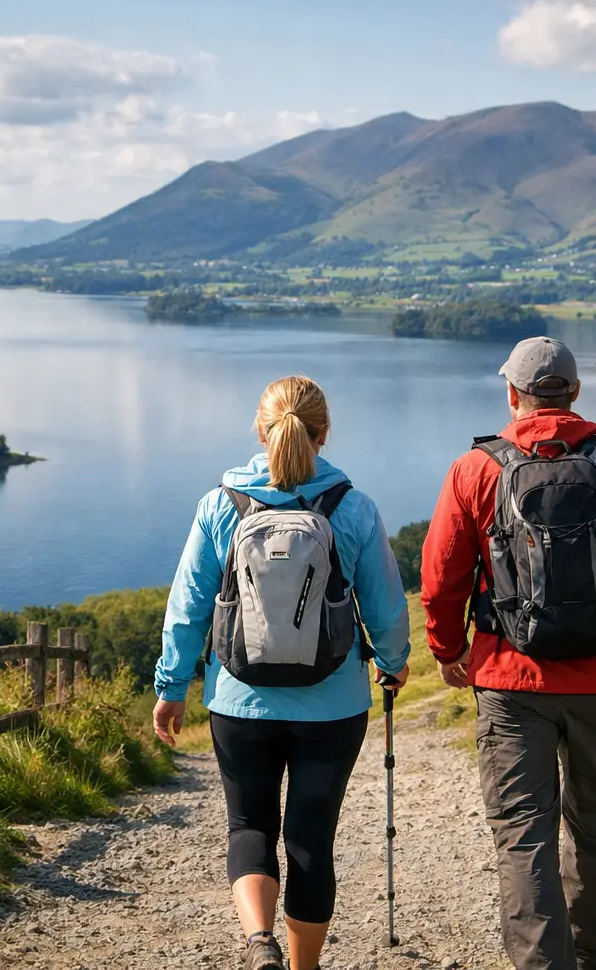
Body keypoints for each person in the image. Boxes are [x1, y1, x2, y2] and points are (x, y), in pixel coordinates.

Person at [420, 337, 596, 970]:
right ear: (574, 392)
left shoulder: (477, 470)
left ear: (513, 395)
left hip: (511, 682)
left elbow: (440, 578)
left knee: (523, 835)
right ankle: (592, 954)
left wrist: (449, 649)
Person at [153, 375, 412, 970]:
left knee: (249, 824)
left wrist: (171, 688)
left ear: (259, 428)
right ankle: (304, 967)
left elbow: (187, 607)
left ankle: (258, 942)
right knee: (311, 838)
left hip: (239, 700)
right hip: (334, 704)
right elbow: (387, 608)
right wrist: (394, 666)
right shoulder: (353, 507)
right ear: (324, 433)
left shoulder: (221, 504)